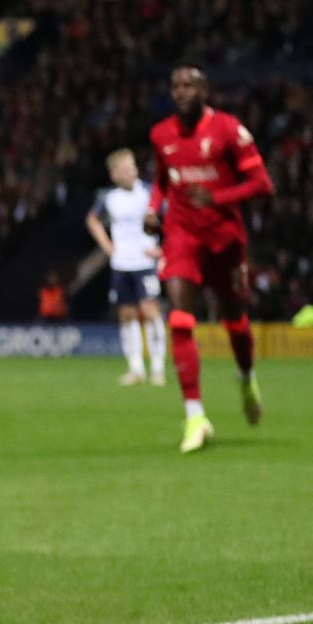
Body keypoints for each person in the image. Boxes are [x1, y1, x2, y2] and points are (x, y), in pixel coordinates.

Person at [146, 65, 274, 453]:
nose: (181, 92)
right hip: (182, 236)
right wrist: (155, 209)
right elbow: (162, 181)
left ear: (205, 91)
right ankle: (195, 416)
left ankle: (246, 377)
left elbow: (262, 184)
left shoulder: (229, 130)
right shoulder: (161, 134)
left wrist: (218, 198)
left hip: (225, 240)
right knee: (181, 320)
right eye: (176, 85)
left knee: (234, 322)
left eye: (189, 85)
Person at [85, 147, 166, 386]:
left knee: (151, 312)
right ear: (115, 175)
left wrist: (164, 248)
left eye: (133, 168)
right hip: (122, 264)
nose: (132, 172)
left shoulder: (150, 193)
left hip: (145, 262)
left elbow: (172, 218)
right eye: (126, 169)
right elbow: (92, 220)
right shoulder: (109, 198)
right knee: (127, 315)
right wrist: (108, 247)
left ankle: (158, 369)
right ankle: (136, 368)